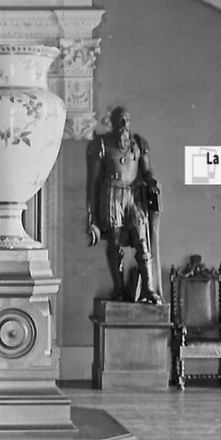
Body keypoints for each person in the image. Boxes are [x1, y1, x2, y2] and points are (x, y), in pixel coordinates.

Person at [86, 106, 161, 302]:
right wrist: (92, 214)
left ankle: (148, 288)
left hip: (133, 194)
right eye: (120, 121)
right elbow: (93, 181)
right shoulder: (103, 145)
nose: (124, 125)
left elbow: (147, 171)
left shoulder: (138, 145)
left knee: (142, 241)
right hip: (111, 194)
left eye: (126, 120)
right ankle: (119, 289)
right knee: (115, 241)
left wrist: (151, 182)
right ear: (112, 123)